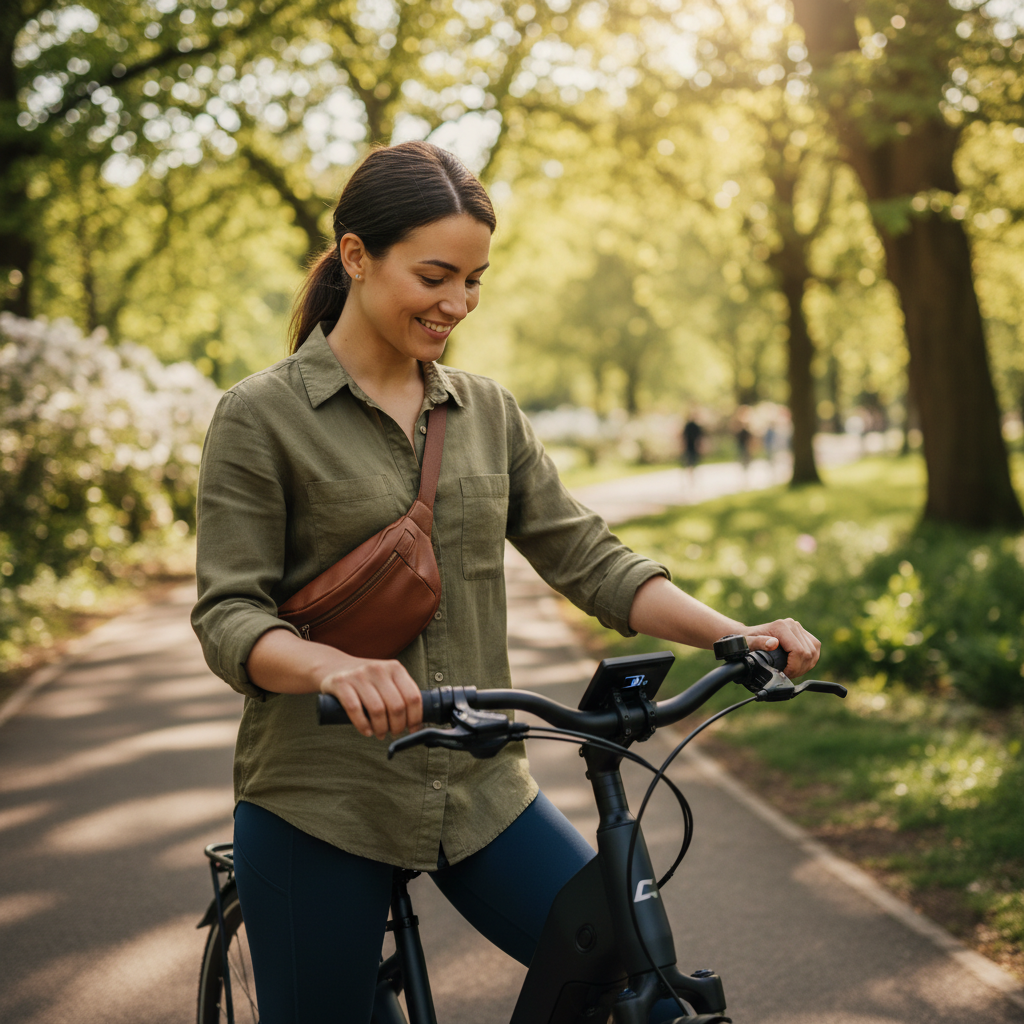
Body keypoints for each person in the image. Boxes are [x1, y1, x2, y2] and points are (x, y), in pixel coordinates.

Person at [191, 141, 820, 1023]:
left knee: (629, 972)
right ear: (356, 256)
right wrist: (331, 668)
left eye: (476, 279)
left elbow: (587, 557)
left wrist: (731, 632)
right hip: (321, 793)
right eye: (437, 275)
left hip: (481, 787)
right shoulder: (261, 415)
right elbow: (228, 614)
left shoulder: (485, 412)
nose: (458, 304)